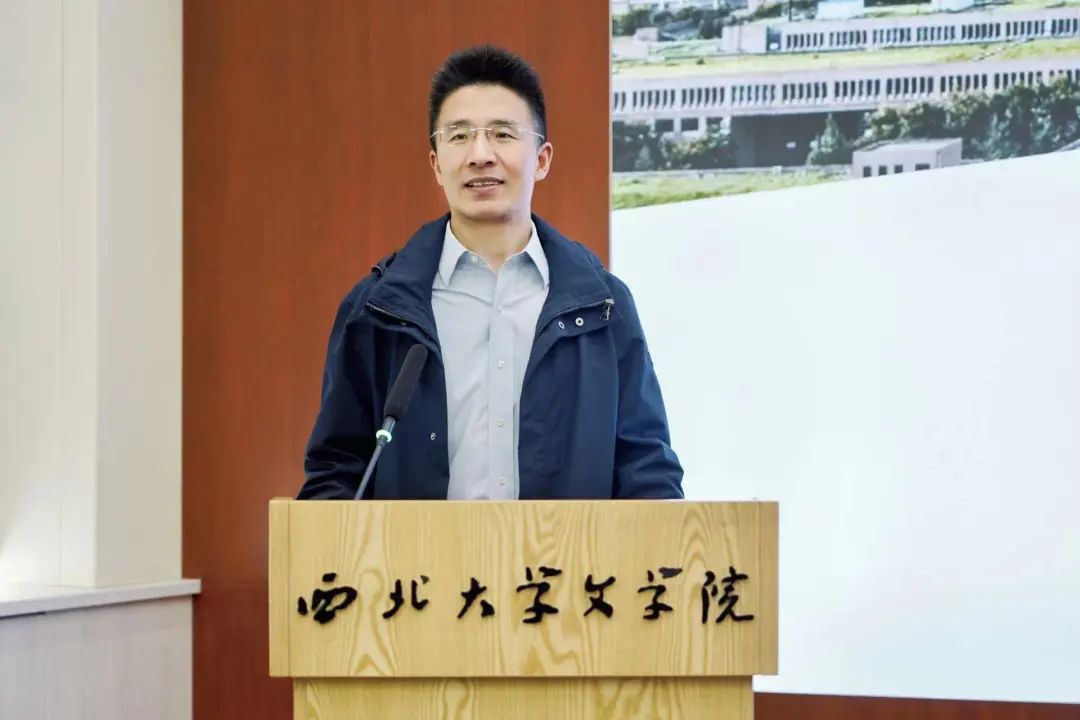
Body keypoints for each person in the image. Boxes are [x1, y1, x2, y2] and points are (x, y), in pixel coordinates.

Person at [297, 45, 682, 500]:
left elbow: (647, 471)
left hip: (562, 551)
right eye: (459, 136)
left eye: (502, 133)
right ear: (436, 164)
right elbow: (336, 474)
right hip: (418, 552)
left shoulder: (604, 307)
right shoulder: (378, 310)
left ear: (542, 159)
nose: (480, 154)